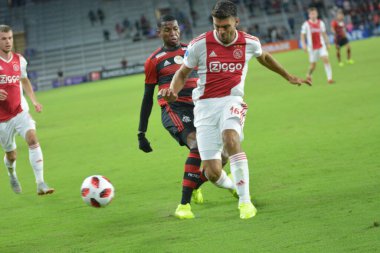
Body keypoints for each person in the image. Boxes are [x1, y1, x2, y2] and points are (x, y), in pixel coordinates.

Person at [160, 0, 311, 219]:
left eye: (226, 27)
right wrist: (173, 90)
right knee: (212, 173)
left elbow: (265, 57)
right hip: (203, 107)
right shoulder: (199, 44)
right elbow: (182, 73)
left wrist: (288, 76)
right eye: (217, 26)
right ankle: (233, 185)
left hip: (232, 100)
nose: (221, 31)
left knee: (231, 139)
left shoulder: (249, 42)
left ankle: (245, 202)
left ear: (236, 22)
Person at [138, 15, 233, 219]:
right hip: (174, 109)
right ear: (159, 33)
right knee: (197, 146)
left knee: (223, 153)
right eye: (167, 30)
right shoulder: (153, 61)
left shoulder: (191, 49)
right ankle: (184, 205)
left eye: (175, 29)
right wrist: (141, 132)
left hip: (200, 107)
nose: (172, 33)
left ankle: (196, 183)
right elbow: (147, 98)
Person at [0, 25, 54, 195]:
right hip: (2, 119)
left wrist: (34, 101)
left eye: (10, 38)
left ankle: (40, 183)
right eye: (3, 38)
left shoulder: (19, 60)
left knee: (32, 139)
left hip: (19, 111)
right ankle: (12, 173)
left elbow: (24, 81)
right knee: (12, 155)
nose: (8, 41)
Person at [301, 7, 335, 84]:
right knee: (313, 65)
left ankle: (329, 79)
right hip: (312, 48)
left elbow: (324, 34)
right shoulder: (306, 24)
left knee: (326, 59)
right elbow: (302, 35)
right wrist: (303, 44)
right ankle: (309, 74)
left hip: (321, 45)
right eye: (311, 14)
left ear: (317, 14)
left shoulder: (321, 23)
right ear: (309, 15)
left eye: (314, 13)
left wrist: (327, 43)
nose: (313, 15)